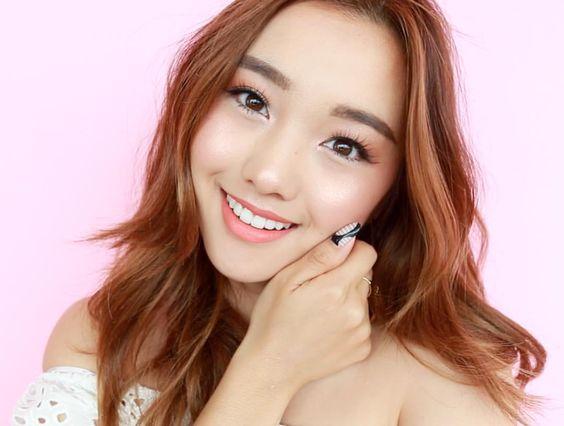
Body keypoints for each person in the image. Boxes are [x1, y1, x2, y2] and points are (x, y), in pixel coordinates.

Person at [12, 0, 546, 425]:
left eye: (344, 145)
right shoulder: (102, 337)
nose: (268, 174)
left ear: (395, 188)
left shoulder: (435, 385)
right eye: (252, 100)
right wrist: (268, 370)